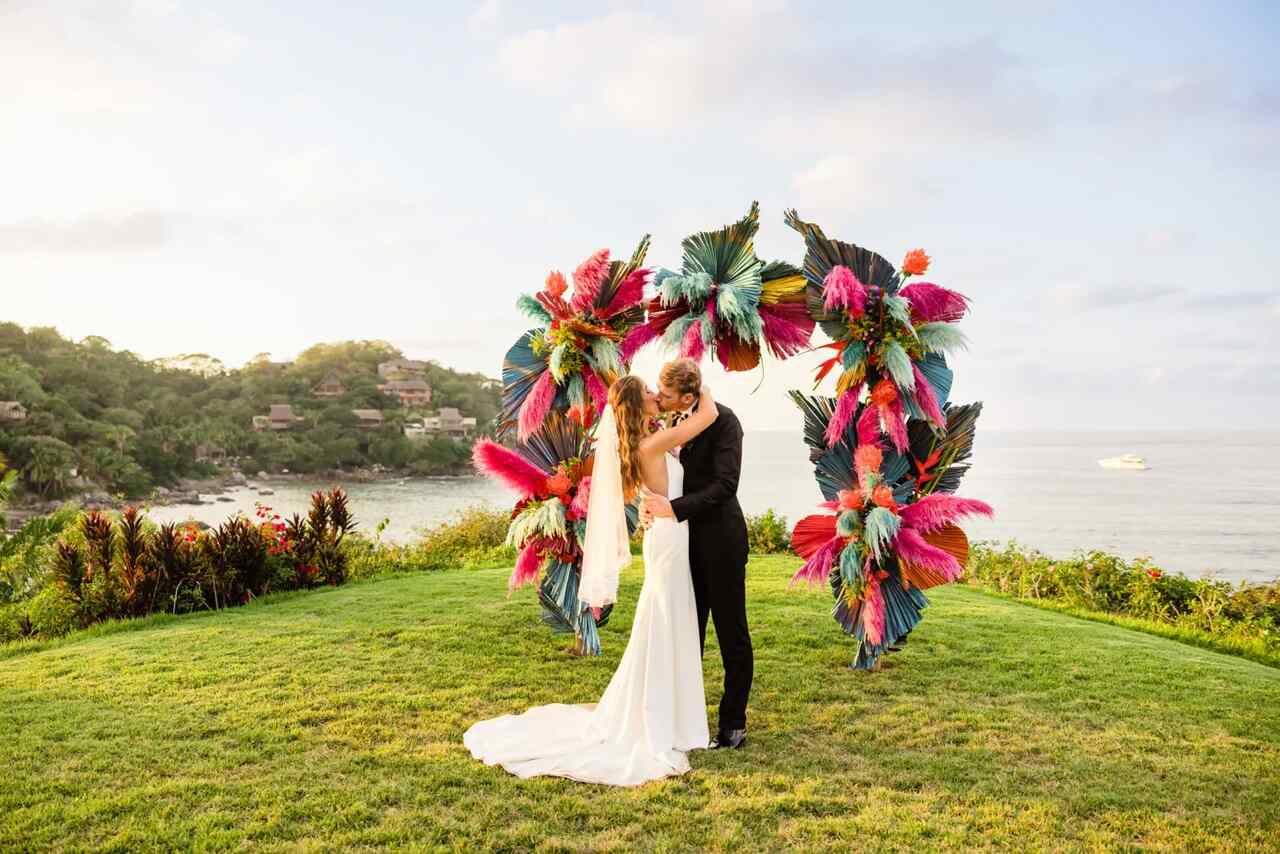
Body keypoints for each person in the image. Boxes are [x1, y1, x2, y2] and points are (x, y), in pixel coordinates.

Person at [463, 374, 718, 786]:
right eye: (651, 393)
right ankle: (665, 718)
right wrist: (697, 385)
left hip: (667, 533)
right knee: (667, 620)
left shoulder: (645, 440)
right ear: (638, 406)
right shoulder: (652, 444)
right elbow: (706, 414)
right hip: (670, 539)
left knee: (666, 621)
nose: (657, 395)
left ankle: (670, 713)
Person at [642, 358, 752, 751]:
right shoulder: (672, 425)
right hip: (681, 546)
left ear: (689, 396)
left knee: (730, 632)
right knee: (688, 634)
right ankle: (686, 721)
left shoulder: (725, 422)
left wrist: (675, 508)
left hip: (721, 543)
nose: (658, 397)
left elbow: (726, 484)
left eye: (666, 394)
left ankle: (733, 724)